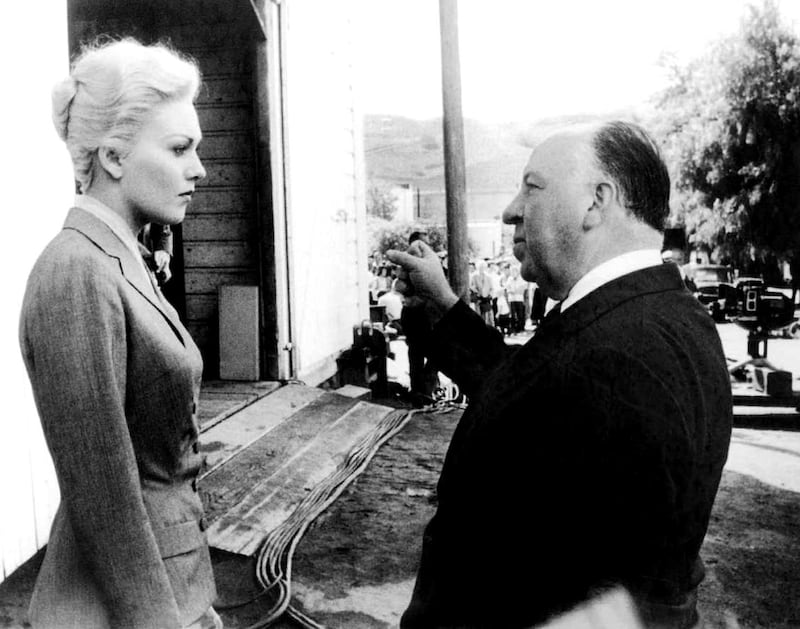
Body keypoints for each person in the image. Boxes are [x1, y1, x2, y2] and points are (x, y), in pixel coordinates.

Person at [387, 120, 732, 628]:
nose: (511, 210)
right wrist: (443, 305)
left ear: (595, 202)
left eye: (532, 187)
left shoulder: (617, 359)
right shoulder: (655, 317)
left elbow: (609, 601)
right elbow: (531, 395)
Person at [19, 38, 220, 629]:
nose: (198, 168)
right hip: (117, 608)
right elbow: (103, 494)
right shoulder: (76, 270)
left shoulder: (120, 257)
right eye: (179, 148)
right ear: (112, 156)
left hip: (173, 585)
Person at [400, 230, 439, 407]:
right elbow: (403, 288)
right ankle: (419, 392)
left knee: (435, 354)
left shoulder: (430, 263)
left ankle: (425, 390)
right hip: (414, 314)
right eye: (422, 244)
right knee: (416, 354)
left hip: (428, 314)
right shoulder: (406, 265)